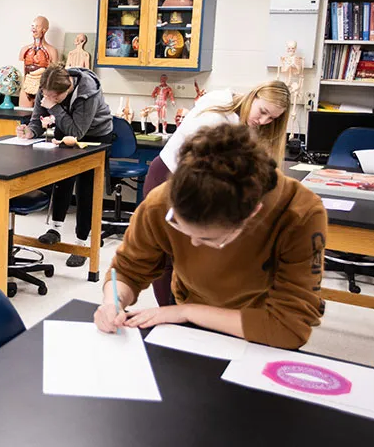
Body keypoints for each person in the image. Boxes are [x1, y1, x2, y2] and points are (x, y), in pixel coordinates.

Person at [94, 123, 326, 349]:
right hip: (190, 321)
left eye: (209, 239)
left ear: (252, 214)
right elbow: (128, 270)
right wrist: (113, 301)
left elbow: (289, 328)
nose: (192, 244)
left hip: (257, 328)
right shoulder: (160, 203)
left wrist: (187, 312)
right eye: (180, 226)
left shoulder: (300, 214)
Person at [143, 80, 291, 306]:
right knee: (168, 252)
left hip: (198, 182)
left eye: (271, 118)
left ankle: (187, 315)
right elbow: (203, 173)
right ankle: (169, 318)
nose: (263, 121)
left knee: (193, 254)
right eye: (263, 112)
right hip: (170, 176)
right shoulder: (216, 120)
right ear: (254, 95)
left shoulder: (238, 111)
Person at [16, 65, 113, 267]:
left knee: (87, 187)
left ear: (66, 90)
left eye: (54, 97)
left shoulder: (88, 91)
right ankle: (55, 229)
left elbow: (77, 131)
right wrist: (30, 132)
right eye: (45, 95)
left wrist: (54, 107)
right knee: (61, 180)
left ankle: (82, 243)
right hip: (64, 130)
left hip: (94, 136)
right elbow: (37, 119)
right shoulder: (49, 87)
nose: (48, 98)